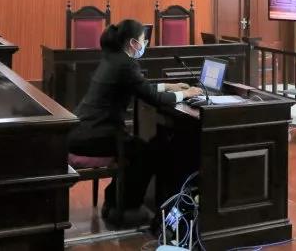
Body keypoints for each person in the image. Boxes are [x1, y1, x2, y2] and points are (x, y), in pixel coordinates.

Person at [67, 19, 202, 227]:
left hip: (83, 132)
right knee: (145, 153)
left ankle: (113, 203)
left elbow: (138, 86)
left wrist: (170, 86)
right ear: (133, 43)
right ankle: (126, 209)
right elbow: (152, 97)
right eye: (143, 40)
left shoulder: (113, 58)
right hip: (95, 137)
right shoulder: (126, 64)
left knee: (142, 148)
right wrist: (187, 93)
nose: (145, 44)